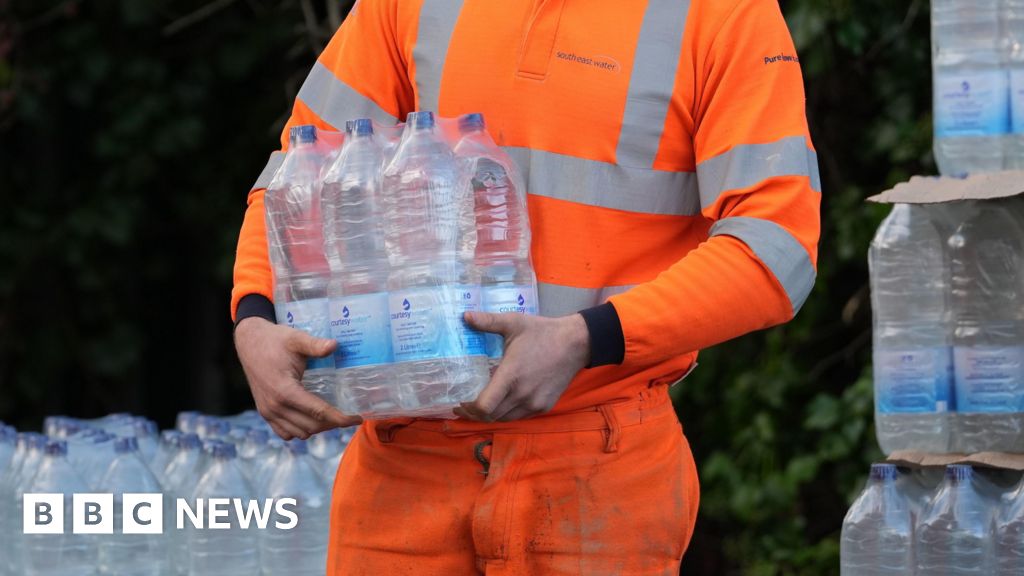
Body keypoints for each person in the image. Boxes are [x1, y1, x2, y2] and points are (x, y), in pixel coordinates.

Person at [231, 0, 821, 573]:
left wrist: (586, 339)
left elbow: (777, 250)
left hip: (598, 471)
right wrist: (254, 316)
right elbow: (299, 170)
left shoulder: (724, 12)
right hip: (403, 462)